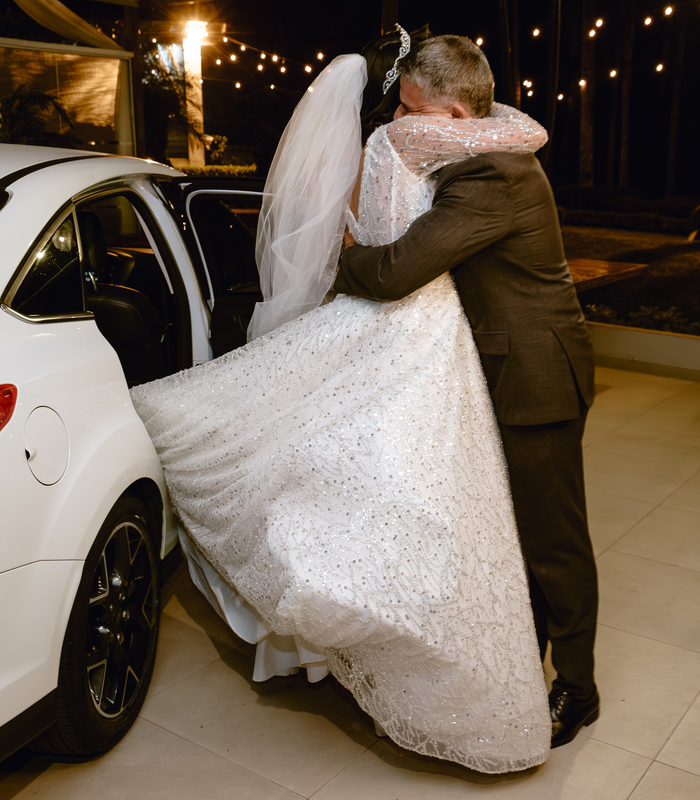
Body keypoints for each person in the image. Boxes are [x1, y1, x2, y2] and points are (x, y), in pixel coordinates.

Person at [130, 27, 552, 773]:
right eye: (400, 103)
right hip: (417, 327)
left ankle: (360, 640)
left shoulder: (390, 141)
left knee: (392, 483)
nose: (401, 115)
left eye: (413, 104)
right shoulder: (411, 140)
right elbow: (526, 129)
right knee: (415, 492)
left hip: (395, 322)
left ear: (440, 105)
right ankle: (398, 647)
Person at [336, 35, 600, 749]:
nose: (398, 118)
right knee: (517, 536)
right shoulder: (478, 149)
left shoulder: (492, 175)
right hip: (512, 365)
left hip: (536, 377)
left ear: (454, 113)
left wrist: (345, 255)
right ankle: (525, 658)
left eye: (410, 108)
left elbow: (395, 272)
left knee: (553, 540)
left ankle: (578, 685)